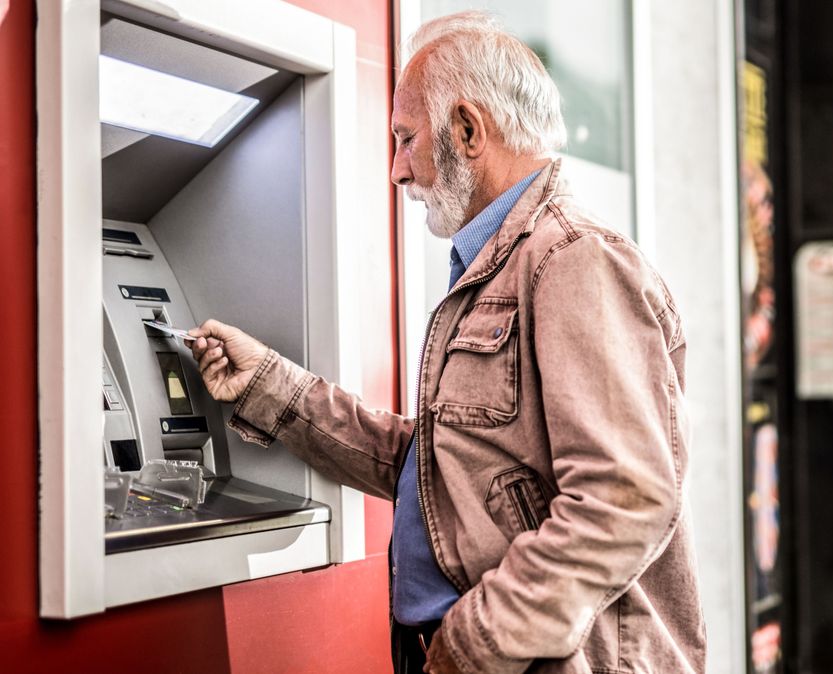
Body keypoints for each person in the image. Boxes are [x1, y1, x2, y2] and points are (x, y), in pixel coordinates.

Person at [188, 11, 705, 674]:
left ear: (466, 129)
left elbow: (625, 500)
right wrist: (270, 387)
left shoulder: (572, 261)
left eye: (406, 139)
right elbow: (441, 470)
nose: (398, 171)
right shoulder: (501, 265)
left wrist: (472, 645)